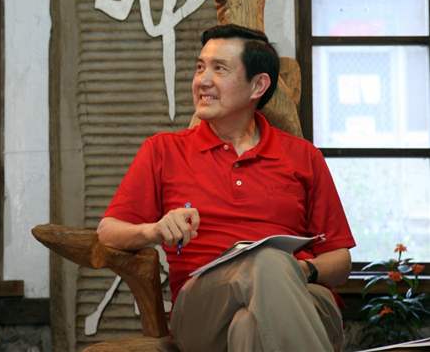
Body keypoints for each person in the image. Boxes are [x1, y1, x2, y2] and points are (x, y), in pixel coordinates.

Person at [98, 24, 355, 352]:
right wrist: (155, 230)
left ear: (258, 85)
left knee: (249, 323)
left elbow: (340, 259)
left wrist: (299, 269)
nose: (202, 81)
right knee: (266, 263)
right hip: (205, 307)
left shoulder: (303, 156)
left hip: (305, 296)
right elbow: (108, 232)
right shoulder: (163, 150)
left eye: (219, 69)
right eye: (200, 67)